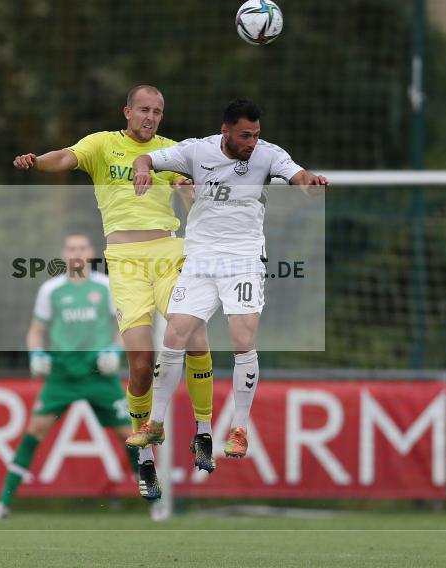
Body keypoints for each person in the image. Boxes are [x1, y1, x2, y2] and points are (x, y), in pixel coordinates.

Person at [12, 85, 215, 501]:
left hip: (168, 253)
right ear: (127, 111)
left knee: (193, 333)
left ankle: (204, 432)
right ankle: (144, 460)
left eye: (158, 111)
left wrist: (189, 193)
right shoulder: (103, 145)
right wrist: (37, 161)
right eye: (144, 109)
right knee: (142, 364)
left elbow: (197, 207)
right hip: (124, 261)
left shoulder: (172, 151)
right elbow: (64, 159)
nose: (151, 117)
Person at [128, 99, 328, 462]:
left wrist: (309, 183)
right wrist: (141, 168)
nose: (251, 142)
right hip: (201, 258)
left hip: (243, 259)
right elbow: (148, 159)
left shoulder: (268, 155)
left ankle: (239, 429)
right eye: (244, 135)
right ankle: (155, 422)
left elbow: (297, 175)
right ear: (226, 131)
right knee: (174, 334)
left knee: (241, 339)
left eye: (256, 135)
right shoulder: (196, 151)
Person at [0, 232, 135, 520]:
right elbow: (36, 331)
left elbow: (123, 327)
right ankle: (2, 504)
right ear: (64, 254)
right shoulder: (51, 290)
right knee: (33, 432)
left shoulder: (106, 287)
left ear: (91, 253)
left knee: (128, 435)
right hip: (62, 375)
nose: (76, 253)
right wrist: (36, 354)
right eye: (71, 248)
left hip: (99, 375)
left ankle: (155, 503)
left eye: (81, 247)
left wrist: (115, 351)